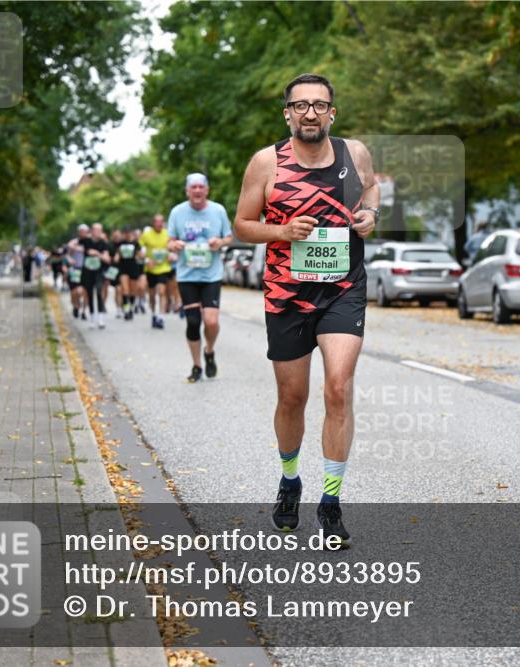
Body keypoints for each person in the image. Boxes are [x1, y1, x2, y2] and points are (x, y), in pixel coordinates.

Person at [234, 73, 378, 544]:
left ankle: (332, 502)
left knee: (339, 387)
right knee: (292, 397)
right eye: (301, 105)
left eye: (319, 105)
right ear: (288, 113)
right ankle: (290, 480)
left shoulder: (354, 153)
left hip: (342, 289)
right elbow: (242, 224)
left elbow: (371, 190)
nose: (310, 112)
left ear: (332, 112)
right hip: (287, 294)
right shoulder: (265, 163)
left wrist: (370, 216)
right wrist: (281, 232)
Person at [167, 173, 233, 381]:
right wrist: (174, 245)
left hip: (211, 274)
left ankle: (209, 351)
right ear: (187, 191)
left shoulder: (218, 210)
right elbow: (169, 241)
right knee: (193, 321)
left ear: (207, 190)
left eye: (200, 187)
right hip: (187, 275)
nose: (197, 190)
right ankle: (196, 366)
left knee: (211, 322)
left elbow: (229, 237)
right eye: (193, 187)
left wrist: (220, 243)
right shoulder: (177, 212)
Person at [70, 222, 110, 329]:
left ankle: (101, 317)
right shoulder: (86, 241)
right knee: (89, 293)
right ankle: (92, 317)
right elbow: (71, 245)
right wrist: (82, 249)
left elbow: (107, 259)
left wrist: (97, 254)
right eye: (95, 230)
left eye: (99, 230)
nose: (97, 232)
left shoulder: (103, 243)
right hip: (87, 272)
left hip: (98, 272)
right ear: (91, 231)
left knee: (98, 291)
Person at [140, 214, 173, 329]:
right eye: (157, 222)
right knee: (152, 295)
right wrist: (146, 260)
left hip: (163, 268)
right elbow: (140, 252)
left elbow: (172, 248)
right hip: (151, 269)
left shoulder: (168, 234)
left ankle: (161, 317)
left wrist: (171, 255)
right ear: (153, 223)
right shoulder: (146, 235)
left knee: (162, 291)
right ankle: (154, 313)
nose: (159, 224)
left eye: (161, 222)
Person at [114, 228, 144, 321]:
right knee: (125, 289)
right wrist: (116, 257)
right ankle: (126, 310)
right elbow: (117, 254)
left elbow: (140, 255)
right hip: (123, 268)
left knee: (133, 291)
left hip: (133, 268)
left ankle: (131, 307)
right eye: (125, 233)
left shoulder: (135, 243)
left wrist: (141, 255)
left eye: (128, 232)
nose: (127, 234)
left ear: (131, 233)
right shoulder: (120, 243)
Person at [66, 225, 89, 319]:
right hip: (75, 269)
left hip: (86, 270)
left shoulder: (89, 242)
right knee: (75, 292)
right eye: (81, 231)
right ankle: (76, 306)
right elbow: (67, 253)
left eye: (85, 231)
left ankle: (84, 311)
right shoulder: (74, 242)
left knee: (85, 292)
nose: (83, 233)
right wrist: (69, 259)